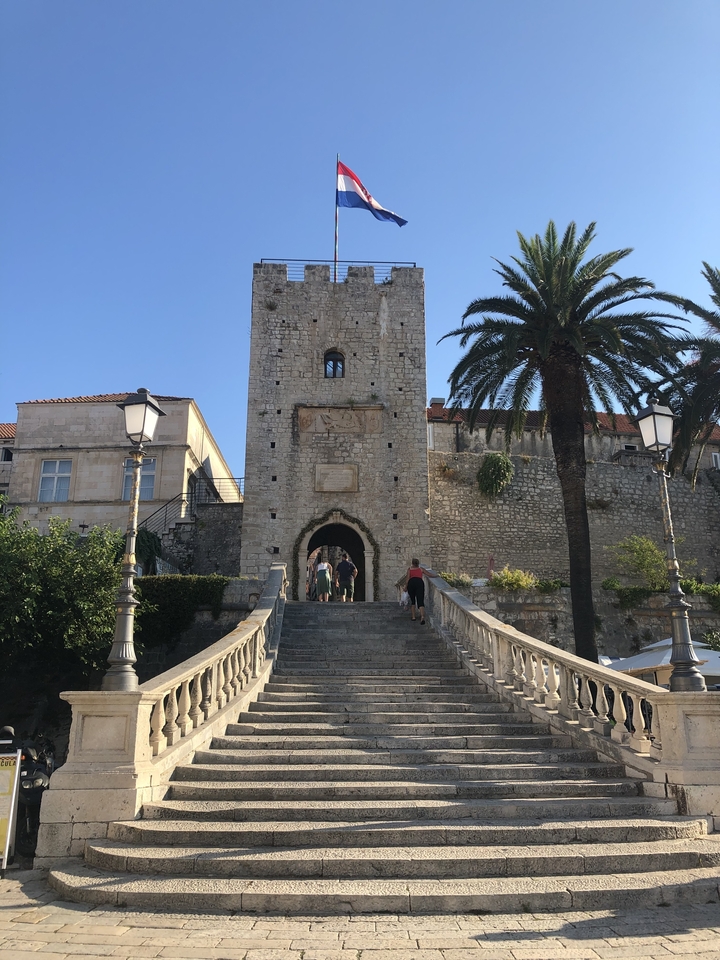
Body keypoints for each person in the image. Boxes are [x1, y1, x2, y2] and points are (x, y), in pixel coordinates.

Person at [405, 558, 425, 624]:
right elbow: (429, 574)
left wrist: (405, 587)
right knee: (420, 600)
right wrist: (435, 575)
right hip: (419, 583)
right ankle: (422, 617)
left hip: (411, 583)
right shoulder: (421, 569)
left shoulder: (409, 569)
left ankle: (413, 617)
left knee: (412, 600)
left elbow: (407, 579)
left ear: (412, 563)